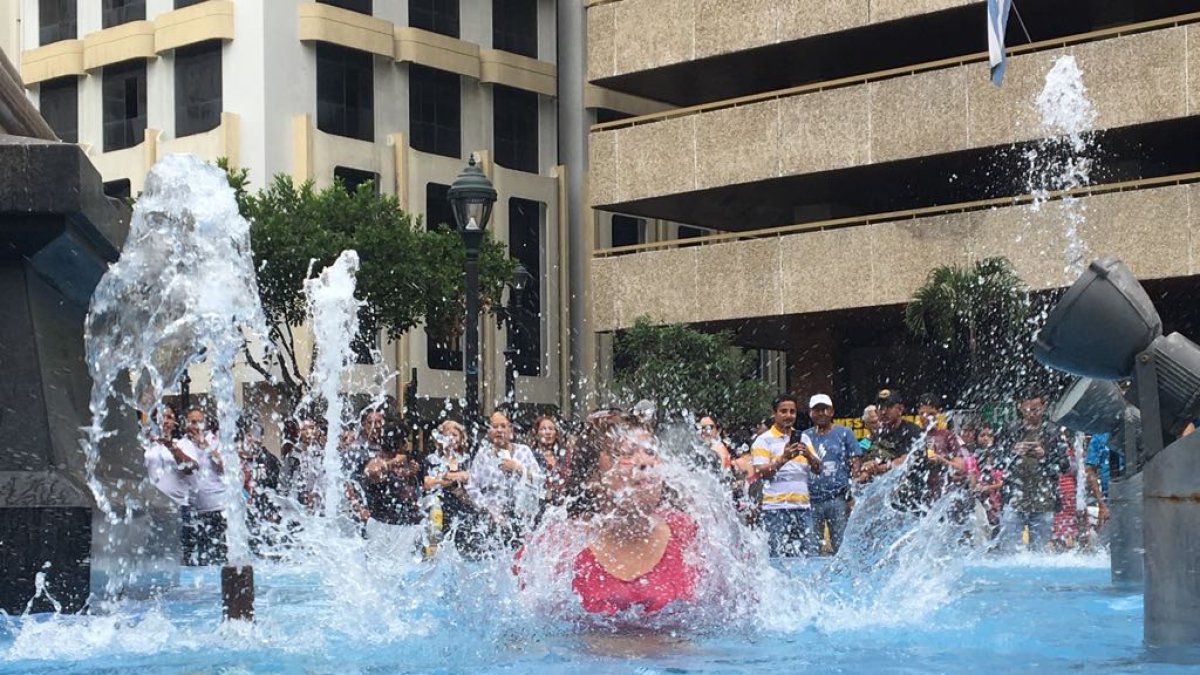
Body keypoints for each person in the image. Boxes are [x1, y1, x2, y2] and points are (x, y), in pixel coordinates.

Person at [521, 408, 701, 617]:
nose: (644, 462)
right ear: (592, 478)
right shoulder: (561, 547)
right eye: (625, 453)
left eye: (650, 451)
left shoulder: (687, 533)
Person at [751, 395, 823, 557]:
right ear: (774, 413)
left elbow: (819, 469)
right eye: (783, 411)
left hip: (802, 508)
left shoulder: (803, 438)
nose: (788, 415)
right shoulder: (763, 440)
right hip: (775, 510)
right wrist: (783, 459)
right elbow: (761, 472)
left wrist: (809, 456)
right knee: (776, 557)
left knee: (810, 556)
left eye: (792, 412)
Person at [998, 391, 1068, 553]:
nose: (1031, 414)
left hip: (1043, 502)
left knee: (1040, 554)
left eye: (1035, 410)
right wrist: (1012, 452)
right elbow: (997, 460)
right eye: (1028, 410)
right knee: (1009, 553)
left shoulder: (1053, 432)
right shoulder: (1011, 430)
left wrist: (1045, 455)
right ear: (1021, 408)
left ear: (1043, 408)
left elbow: (1064, 464)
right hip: (1014, 500)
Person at [467, 410, 544, 549]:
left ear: (510, 429)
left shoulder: (523, 451)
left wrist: (518, 468)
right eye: (495, 427)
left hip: (520, 516)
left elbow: (539, 481)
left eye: (503, 426)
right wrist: (487, 508)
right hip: (492, 518)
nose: (499, 430)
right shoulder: (483, 455)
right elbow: (472, 487)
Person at [803, 394, 860, 554]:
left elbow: (855, 461)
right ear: (810, 413)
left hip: (838, 497)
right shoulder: (805, 436)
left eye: (824, 409)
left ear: (832, 411)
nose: (821, 413)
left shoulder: (844, 433)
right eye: (816, 410)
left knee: (841, 546)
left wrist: (853, 493)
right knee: (811, 547)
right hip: (811, 499)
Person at [177, 407, 228, 565]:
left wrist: (204, 445)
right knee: (196, 558)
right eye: (193, 422)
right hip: (193, 508)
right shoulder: (181, 444)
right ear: (186, 424)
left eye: (200, 422)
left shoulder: (214, 441)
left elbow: (222, 467)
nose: (196, 426)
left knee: (219, 556)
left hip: (217, 506)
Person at [424, 419, 482, 554]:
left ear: (462, 438)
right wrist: (453, 479)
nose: (451, 438)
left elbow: (471, 478)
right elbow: (428, 483)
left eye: (455, 435)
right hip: (439, 512)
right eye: (447, 434)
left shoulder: (469, 459)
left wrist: (444, 478)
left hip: (465, 510)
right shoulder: (432, 459)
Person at [363, 424, 423, 526]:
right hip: (383, 523)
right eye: (404, 441)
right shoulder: (378, 458)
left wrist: (413, 473)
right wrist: (393, 462)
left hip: (408, 521)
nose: (406, 445)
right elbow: (372, 472)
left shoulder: (407, 461)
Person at [858, 389, 921, 481]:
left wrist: (879, 468)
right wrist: (867, 466)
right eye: (880, 408)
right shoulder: (871, 438)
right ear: (865, 424)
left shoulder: (913, 430)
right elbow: (863, 459)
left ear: (900, 409)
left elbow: (907, 460)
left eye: (889, 407)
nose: (883, 412)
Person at [530, 415, 568, 501]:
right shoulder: (531, 456)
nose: (548, 432)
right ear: (536, 433)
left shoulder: (563, 456)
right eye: (543, 429)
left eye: (551, 429)